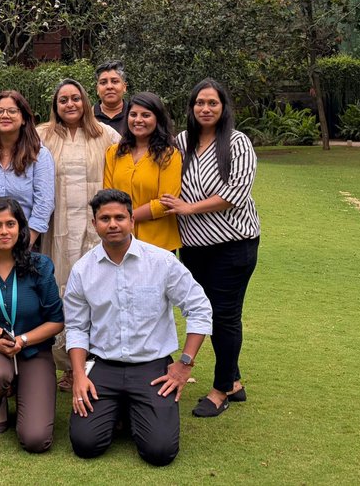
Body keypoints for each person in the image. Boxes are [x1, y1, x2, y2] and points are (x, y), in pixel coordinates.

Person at [64, 189, 212, 467]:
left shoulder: (162, 262)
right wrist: (79, 375)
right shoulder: (83, 269)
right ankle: (123, 409)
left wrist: (184, 365)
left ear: (132, 220)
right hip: (103, 367)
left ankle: (134, 409)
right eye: (104, 218)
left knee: (160, 452)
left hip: (151, 368)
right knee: (86, 444)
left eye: (120, 217)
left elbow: (199, 308)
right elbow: (75, 326)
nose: (113, 224)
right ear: (94, 223)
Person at [163, 78, 260, 419]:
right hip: (194, 247)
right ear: (190, 108)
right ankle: (233, 379)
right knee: (201, 311)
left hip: (233, 245)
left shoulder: (237, 143)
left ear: (223, 108)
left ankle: (221, 389)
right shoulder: (180, 143)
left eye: (212, 103)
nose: (205, 109)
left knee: (224, 315)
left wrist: (188, 208)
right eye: (199, 103)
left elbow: (236, 192)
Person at [0, 198, 65, 451]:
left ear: (21, 228)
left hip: (34, 351)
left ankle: (24, 386)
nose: (4, 231)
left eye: (10, 224)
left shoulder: (40, 266)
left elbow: (56, 321)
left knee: (36, 439)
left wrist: (24, 340)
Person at [37, 78, 119, 388]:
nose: (70, 104)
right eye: (63, 100)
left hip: (94, 230)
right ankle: (68, 366)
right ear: (55, 106)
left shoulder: (105, 134)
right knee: (61, 290)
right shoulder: (42, 135)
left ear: (85, 101)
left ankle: (98, 363)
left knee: (96, 293)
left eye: (75, 98)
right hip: (55, 231)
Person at [0, 90, 55, 249]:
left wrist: (28, 240)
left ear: (24, 118)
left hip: (24, 233)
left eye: (12, 111)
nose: (5, 115)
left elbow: (44, 201)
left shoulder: (39, 155)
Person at [103, 92, 183, 251]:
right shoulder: (114, 153)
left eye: (146, 115)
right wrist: (121, 221)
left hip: (159, 244)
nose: (138, 120)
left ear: (157, 119)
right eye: (133, 114)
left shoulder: (169, 155)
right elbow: (107, 194)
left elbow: (166, 203)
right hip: (120, 241)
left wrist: (124, 217)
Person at [92, 61, 130, 136]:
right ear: (97, 89)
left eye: (115, 81)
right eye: (103, 82)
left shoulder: (133, 116)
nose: (109, 87)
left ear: (124, 87)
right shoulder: (88, 118)